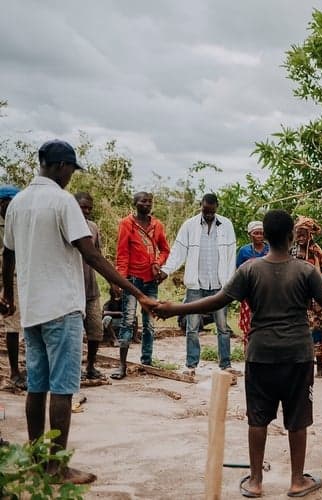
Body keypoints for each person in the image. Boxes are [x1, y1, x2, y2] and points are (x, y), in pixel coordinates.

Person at [153, 209, 322, 498]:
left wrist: (173, 309)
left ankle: (255, 482)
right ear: (290, 237)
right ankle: (297, 480)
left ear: (266, 235)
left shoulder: (249, 270)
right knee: (297, 420)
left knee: (257, 419)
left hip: (260, 355)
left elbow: (216, 301)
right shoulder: (306, 271)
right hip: (297, 356)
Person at [2, 139, 156, 484]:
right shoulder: (62, 202)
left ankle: (38, 460)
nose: (71, 176)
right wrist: (138, 294)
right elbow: (92, 255)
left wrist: (9, 296)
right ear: (60, 166)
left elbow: (8, 254)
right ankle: (57, 468)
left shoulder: (18, 203)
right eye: (71, 169)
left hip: (32, 310)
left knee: (36, 386)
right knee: (61, 387)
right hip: (63, 309)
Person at [160, 193, 237, 376]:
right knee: (192, 326)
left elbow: (231, 255)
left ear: (217, 207)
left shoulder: (226, 225)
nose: (208, 214)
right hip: (196, 284)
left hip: (219, 284)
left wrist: (229, 282)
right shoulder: (189, 225)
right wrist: (166, 270)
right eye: (205, 211)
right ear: (200, 206)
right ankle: (191, 365)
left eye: (211, 211)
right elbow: (178, 251)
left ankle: (225, 365)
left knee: (223, 327)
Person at [111, 191, 170, 379]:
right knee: (127, 321)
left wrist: (157, 263)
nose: (147, 204)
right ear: (135, 203)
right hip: (132, 280)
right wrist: (120, 280)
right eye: (143, 201)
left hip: (151, 280)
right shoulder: (126, 224)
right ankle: (121, 365)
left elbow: (165, 250)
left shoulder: (157, 225)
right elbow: (122, 254)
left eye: (150, 201)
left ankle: (146, 362)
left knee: (149, 323)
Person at [290, 216, 322, 377]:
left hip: (313, 299)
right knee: (296, 331)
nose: (300, 237)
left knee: (317, 331)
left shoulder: (316, 251)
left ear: (310, 234)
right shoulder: (291, 250)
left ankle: (319, 366)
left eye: (304, 234)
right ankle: (298, 365)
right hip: (295, 297)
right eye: (298, 234)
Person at [75, 192, 106, 380]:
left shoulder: (93, 228)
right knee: (74, 334)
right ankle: (74, 368)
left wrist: (112, 282)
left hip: (91, 288)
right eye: (82, 207)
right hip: (73, 289)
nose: (86, 211)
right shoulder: (66, 226)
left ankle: (91, 366)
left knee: (96, 330)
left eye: (88, 208)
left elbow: (98, 256)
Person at [0, 185, 25, 390]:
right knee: (13, 326)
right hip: (11, 281)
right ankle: (14, 372)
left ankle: (24, 370)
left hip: (24, 278)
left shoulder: (21, 224)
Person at [236, 220, 270, 344]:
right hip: (249, 293)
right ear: (250, 235)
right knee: (249, 327)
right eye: (256, 233)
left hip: (268, 293)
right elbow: (239, 272)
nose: (259, 236)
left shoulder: (270, 249)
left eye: (262, 233)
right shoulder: (244, 251)